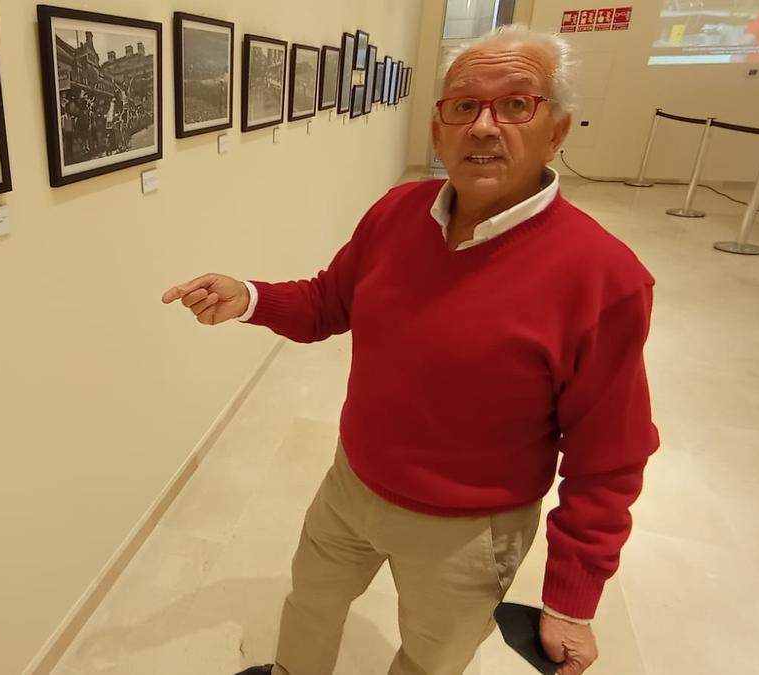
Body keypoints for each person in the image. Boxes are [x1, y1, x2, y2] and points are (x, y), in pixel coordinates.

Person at [161, 25, 657, 675]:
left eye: (515, 105)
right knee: (310, 600)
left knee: (431, 656)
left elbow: (608, 456)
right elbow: (326, 302)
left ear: (557, 130)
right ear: (438, 127)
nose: (484, 126)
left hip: (471, 530)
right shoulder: (396, 212)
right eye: (463, 105)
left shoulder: (604, 276)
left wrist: (571, 601)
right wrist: (248, 296)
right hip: (352, 482)